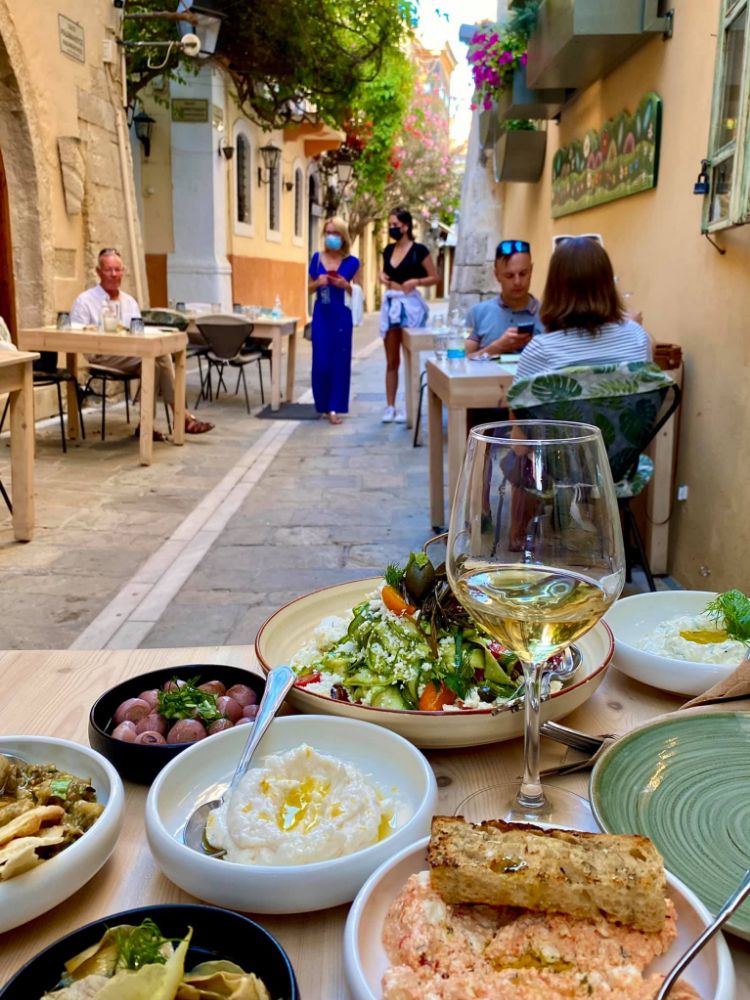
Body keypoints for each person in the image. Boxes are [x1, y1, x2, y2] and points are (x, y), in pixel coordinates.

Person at [70, 249, 213, 437]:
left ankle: (147, 426)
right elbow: (76, 333)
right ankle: (181, 417)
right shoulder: (85, 300)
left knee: (154, 360)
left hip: (131, 354)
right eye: (108, 270)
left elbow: (138, 332)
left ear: (123, 271)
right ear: (98, 271)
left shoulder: (130, 302)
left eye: (118, 270)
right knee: (159, 355)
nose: (114, 275)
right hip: (101, 356)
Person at [514, 236, 652, 383]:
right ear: (608, 285)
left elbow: (520, 402)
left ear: (555, 289)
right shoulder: (637, 337)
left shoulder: (540, 350)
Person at [379, 207, 438, 423]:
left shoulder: (419, 250)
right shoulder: (387, 250)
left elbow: (434, 277)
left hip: (410, 306)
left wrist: (417, 282)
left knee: (410, 357)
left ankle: (409, 405)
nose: (392, 228)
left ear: (406, 226)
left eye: (395, 225)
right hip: (391, 304)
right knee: (391, 359)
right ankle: (390, 406)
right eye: (390, 225)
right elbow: (385, 272)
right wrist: (381, 276)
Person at [307, 217, 360, 425]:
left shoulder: (352, 262)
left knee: (339, 361)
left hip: (341, 316)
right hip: (322, 314)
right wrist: (317, 283)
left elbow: (358, 291)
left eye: (336, 233)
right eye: (329, 232)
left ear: (343, 236)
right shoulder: (316, 258)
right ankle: (322, 403)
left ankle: (334, 407)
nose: (332, 237)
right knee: (321, 361)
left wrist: (345, 285)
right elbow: (308, 288)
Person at [465, 239, 545, 357]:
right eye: (509, 276)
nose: (517, 282)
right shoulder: (478, 313)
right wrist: (497, 348)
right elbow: (461, 363)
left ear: (531, 271)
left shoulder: (549, 315)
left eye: (523, 274)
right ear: (497, 275)